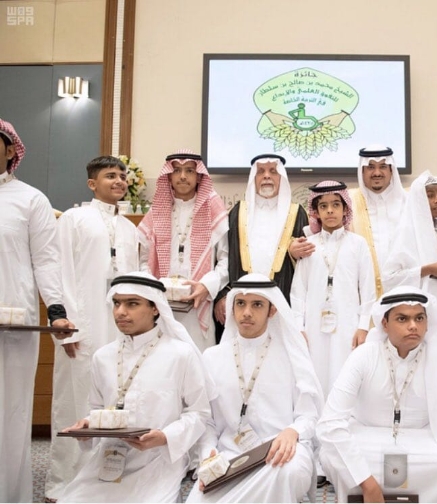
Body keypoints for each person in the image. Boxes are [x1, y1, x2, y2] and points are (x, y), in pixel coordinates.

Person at [317, 286, 437, 503]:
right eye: (402, 319)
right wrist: (367, 482)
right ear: (385, 324)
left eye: (419, 318)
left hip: (422, 442)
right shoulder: (364, 356)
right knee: (331, 454)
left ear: (427, 323)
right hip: (367, 438)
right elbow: (329, 423)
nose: (413, 326)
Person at [59, 273, 212, 503]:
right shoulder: (103, 356)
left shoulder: (181, 354)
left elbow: (199, 413)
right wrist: (88, 425)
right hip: (108, 459)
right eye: (116, 303)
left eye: (132, 304)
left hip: (158, 460)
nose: (120, 312)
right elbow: (98, 409)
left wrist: (165, 437)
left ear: (155, 308)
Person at [45, 156, 140, 501]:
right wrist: (65, 326)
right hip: (80, 327)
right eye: (110, 175)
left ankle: (106, 480)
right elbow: (58, 271)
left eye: (122, 176)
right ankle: (63, 483)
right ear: (92, 184)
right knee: (74, 402)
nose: (119, 181)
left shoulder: (129, 228)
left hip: (120, 331)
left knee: (114, 401)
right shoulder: (74, 219)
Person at [185, 274, 323, 503]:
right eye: (240, 303)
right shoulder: (212, 357)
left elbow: (309, 415)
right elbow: (207, 421)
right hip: (230, 457)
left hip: (279, 454)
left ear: (272, 310)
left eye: (257, 304)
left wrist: (293, 432)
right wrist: (208, 453)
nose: (247, 312)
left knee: (293, 470)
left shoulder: (292, 357)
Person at [0, 118, 75, 503]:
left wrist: (56, 310)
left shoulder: (31, 199)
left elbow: (46, 261)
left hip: (15, 323)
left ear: (11, 149)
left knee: (10, 411)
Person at [138, 149, 229, 351]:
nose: (182, 176)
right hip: (161, 304)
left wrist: (206, 286)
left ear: (199, 176)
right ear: (168, 176)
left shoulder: (213, 210)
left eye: (189, 170)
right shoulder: (156, 211)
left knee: (197, 360)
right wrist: (153, 286)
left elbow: (226, 260)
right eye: (177, 170)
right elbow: (144, 260)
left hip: (198, 304)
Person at [290, 181, 375, 394]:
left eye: (336, 204)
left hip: (349, 324)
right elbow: (298, 292)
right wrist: (299, 327)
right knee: (316, 375)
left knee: (345, 374)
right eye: (323, 206)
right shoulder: (308, 245)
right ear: (316, 212)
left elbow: (368, 290)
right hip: (313, 326)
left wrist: (363, 326)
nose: (330, 210)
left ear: (345, 209)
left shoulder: (358, 244)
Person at [382, 171, 437, 370]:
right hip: (423, 311)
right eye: (430, 195)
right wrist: (428, 269)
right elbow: (389, 278)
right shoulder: (406, 232)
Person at [220, 154, 311, 316]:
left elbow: (308, 264)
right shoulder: (238, 212)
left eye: (273, 171)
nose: (267, 176)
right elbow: (225, 257)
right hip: (243, 303)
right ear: (253, 178)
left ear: (281, 177)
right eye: (260, 171)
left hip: (283, 302)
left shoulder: (296, 213)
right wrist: (222, 294)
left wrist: (294, 254)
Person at [349, 145, 408, 297]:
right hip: (361, 294)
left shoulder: (408, 201)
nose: (377, 173)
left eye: (383, 166)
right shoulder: (347, 202)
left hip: (404, 291)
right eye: (370, 167)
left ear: (391, 170)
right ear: (362, 171)